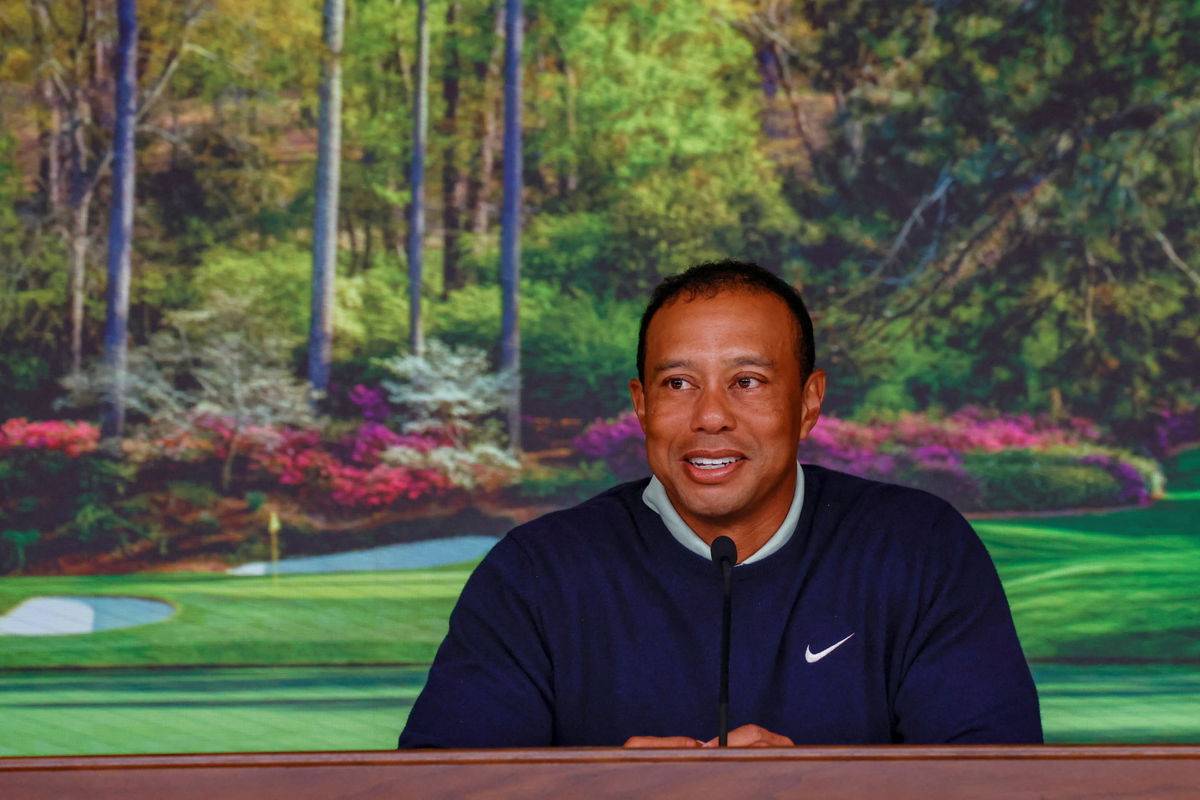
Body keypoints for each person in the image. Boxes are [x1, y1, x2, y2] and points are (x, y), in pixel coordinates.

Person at [398, 260, 1041, 748]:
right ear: (642, 404)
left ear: (808, 403)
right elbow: (439, 788)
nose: (710, 416)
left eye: (748, 382)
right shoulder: (537, 572)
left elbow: (997, 781)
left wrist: (812, 792)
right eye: (678, 383)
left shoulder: (917, 548)